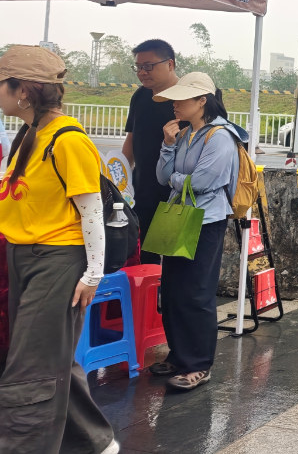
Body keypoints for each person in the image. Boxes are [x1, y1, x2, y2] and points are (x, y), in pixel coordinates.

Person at [0, 45, 118, 454]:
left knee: (31, 366)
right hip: (24, 255)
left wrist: (93, 274)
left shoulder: (68, 140)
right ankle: (94, 442)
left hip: (57, 260)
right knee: (49, 354)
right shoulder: (30, 134)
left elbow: (92, 211)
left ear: (23, 91)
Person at [151, 72, 247, 391]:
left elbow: (204, 182)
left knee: (196, 292)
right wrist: (168, 146)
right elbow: (162, 176)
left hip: (205, 221)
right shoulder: (185, 134)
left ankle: (198, 365)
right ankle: (179, 355)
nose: (174, 105)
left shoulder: (219, 136)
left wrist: (175, 179)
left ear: (202, 101)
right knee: (173, 291)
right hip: (180, 216)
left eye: (181, 99)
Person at [122, 40, 180, 264]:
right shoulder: (140, 96)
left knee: (175, 259)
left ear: (170, 64)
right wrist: (120, 179)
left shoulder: (189, 99)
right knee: (145, 257)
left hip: (175, 194)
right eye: (138, 67)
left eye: (148, 66)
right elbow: (131, 138)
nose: (141, 72)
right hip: (142, 190)